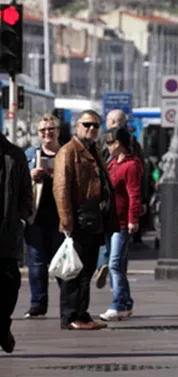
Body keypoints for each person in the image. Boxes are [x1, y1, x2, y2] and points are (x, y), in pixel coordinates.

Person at [53, 110, 117, 330]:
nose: (91, 129)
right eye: (87, 125)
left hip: (93, 217)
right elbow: (61, 189)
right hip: (79, 217)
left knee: (87, 268)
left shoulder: (93, 149)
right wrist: (67, 222)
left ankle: (82, 313)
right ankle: (71, 316)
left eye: (96, 126)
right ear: (77, 126)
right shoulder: (69, 151)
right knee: (74, 269)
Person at [23, 114, 66, 319]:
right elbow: (18, 181)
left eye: (51, 129)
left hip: (61, 216)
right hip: (36, 216)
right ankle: (37, 304)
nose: (47, 133)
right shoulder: (31, 154)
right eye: (43, 130)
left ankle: (68, 304)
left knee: (62, 263)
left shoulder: (67, 153)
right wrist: (30, 175)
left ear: (58, 131)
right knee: (36, 263)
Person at [98, 127, 143, 321]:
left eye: (110, 143)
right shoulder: (112, 164)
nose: (108, 147)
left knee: (115, 264)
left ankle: (117, 303)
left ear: (119, 144)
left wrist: (133, 220)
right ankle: (125, 302)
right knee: (118, 265)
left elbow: (134, 194)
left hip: (122, 222)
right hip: (111, 220)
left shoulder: (130, 166)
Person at [0, 132, 33, 352]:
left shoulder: (15, 155)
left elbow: (25, 192)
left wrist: (22, 217)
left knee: (10, 285)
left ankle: (2, 325)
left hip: (7, 232)